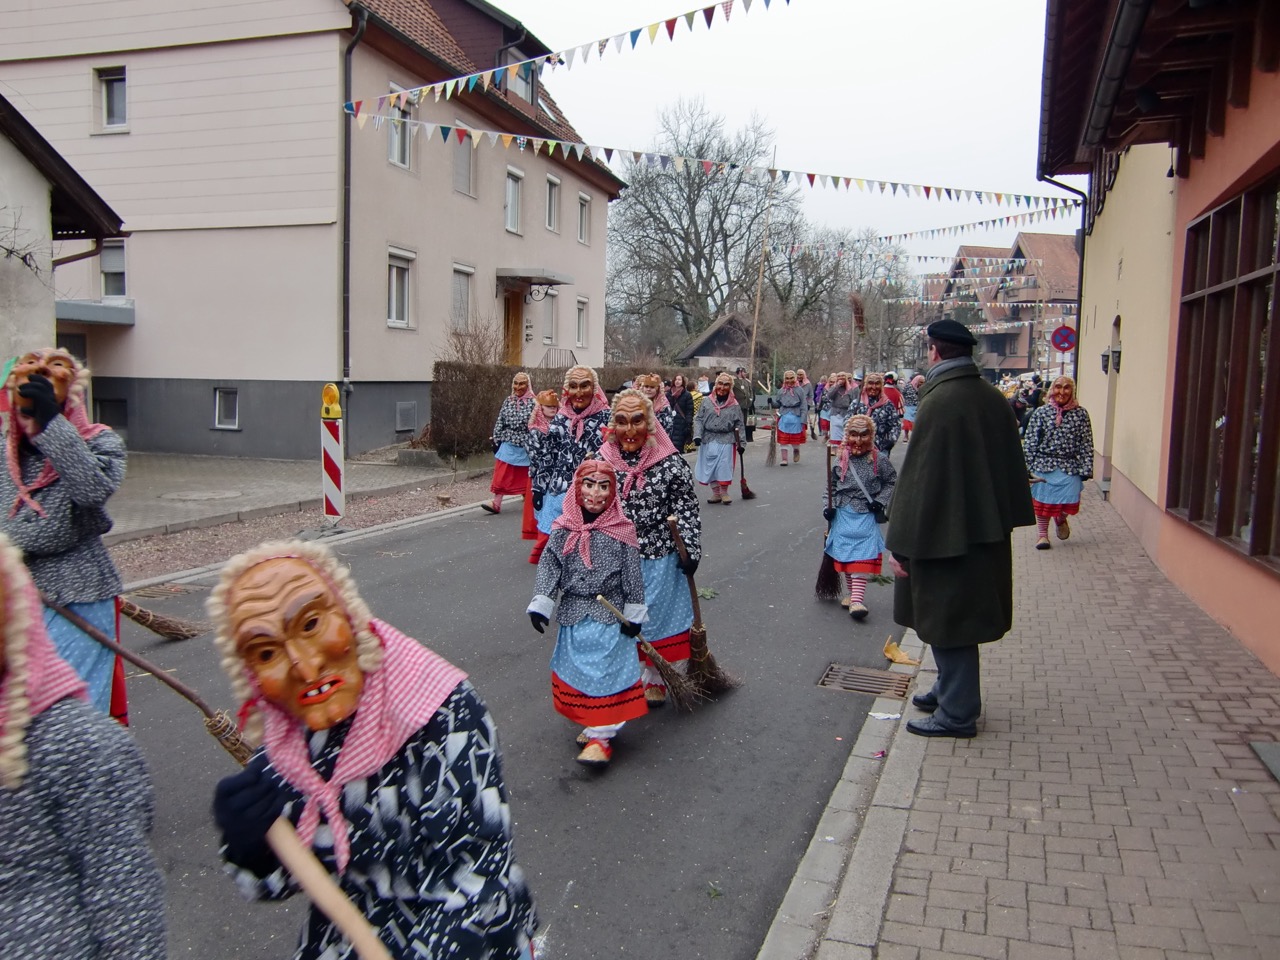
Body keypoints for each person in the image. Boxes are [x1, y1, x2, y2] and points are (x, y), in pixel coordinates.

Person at [208, 539, 538, 959]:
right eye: (267, 652)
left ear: (349, 613)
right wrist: (253, 850)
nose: (305, 667)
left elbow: (479, 882)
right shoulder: (289, 743)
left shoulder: (441, 713)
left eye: (311, 625)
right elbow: (291, 875)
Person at [0, 532, 166, 960]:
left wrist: (18, 540)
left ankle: (108, 812)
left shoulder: (74, 744)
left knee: (80, 744)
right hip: (35, 591)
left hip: (75, 591)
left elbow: (84, 506)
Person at [885, 319, 1034, 739]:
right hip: (982, 530)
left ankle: (957, 712)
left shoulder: (941, 401)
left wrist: (901, 544)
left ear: (934, 351)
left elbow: (920, 481)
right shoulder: (990, 397)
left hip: (943, 535)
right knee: (952, 616)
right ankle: (948, 689)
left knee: (950, 620)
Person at [0, 348, 129, 723]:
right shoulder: (4, 452)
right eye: (28, 370)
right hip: (13, 599)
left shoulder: (99, 443)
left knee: (63, 717)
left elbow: (91, 490)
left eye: (54, 370)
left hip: (78, 596)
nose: (39, 373)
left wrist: (51, 424)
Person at [527, 461, 648, 767]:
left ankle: (601, 737)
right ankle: (594, 722)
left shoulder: (622, 530)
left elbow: (632, 575)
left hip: (609, 614)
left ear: (613, 491)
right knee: (579, 672)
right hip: (573, 615)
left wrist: (634, 613)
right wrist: (542, 603)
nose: (596, 493)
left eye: (604, 486)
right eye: (589, 484)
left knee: (603, 673)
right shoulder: (563, 527)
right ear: (577, 489)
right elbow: (550, 565)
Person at [597, 390, 700, 707]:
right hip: (615, 555)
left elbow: (686, 509)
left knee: (654, 618)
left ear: (650, 424)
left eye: (637, 421)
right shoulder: (601, 462)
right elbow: (586, 507)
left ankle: (655, 676)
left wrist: (691, 549)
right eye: (622, 421)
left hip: (658, 556)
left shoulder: (670, 464)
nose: (629, 430)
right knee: (617, 619)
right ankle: (625, 677)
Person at [527, 365, 610, 565]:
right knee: (555, 547)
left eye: (584, 386)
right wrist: (539, 488)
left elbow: (614, 457)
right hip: (559, 490)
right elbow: (548, 455)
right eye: (573, 386)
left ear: (594, 388)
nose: (579, 392)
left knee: (587, 550)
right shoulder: (561, 417)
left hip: (592, 493)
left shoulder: (606, 417)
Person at [822, 415, 896, 621]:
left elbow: (892, 481)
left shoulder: (879, 459)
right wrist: (827, 507)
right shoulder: (840, 458)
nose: (858, 440)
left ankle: (856, 600)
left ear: (871, 436)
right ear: (847, 435)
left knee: (862, 556)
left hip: (865, 513)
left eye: (864, 435)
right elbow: (831, 486)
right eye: (854, 435)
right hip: (843, 513)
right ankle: (851, 594)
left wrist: (880, 501)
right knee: (846, 555)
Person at [1023, 375, 1094, 549]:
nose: (1062, 391)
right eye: (1058, 387)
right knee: (1043, 502)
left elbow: (1086, 442)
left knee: (1070, 499)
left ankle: (1060, 519)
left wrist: (1086, 468)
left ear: (1072, 391)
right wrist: (1026, 468)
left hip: (1069, 465)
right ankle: (1042, 536)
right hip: (1043, 464)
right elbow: (1031, 441)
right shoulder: (1041, 413)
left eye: (1067, 387)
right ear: (1052, 390)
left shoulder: (1081, 414)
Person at [483, 371, 536, 517]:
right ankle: (496, 503)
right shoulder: (508, 401)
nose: (518, 387)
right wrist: (496, 438)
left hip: (526, 444)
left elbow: (538, 424)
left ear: (528, 385)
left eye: (522, 384)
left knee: (527, 475)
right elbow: (500, 420)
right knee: (501, 473)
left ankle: (529, 501)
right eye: (516, 383)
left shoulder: (534, 403)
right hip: (508, 441)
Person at [694, 373, 746, 505]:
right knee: (710, 467)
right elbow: (699, 419)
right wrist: (697, 435)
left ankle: (724, 492)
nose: (722, 387)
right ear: (716, 384)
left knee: (723, 466)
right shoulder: (706, 401)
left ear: (730, 387)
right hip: (708, 438)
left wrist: (742, 444)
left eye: (726, 385)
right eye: (720, 384)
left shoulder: (734, 405)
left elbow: (740, 424)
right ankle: (716, 493)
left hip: (726, 439)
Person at [522, 389, 559, 546]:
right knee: (543, 512)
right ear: (540, 407)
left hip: (558, 477)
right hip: (540, 478)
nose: (552, 409)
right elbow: (535, 458)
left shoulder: (561, 426)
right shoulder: (535, 431)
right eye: (549, 406)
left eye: (554, 406)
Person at [767, 369, 812, 466]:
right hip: (784, 417)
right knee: (783, 440)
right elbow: (778, 404)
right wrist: (771, 402)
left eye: (791, 378)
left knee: (795, 438)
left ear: (795, 378)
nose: (789, 380)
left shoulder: (799, 390)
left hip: (796, 416)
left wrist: (803, 419)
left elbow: (803, 405)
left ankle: (796, 450)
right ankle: (784, 459)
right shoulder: (781, 391)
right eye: (787, 378)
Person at [852, 372, 902, 455]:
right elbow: (847, 422)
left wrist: (890, 441)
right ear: (866, 385)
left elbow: (895, 425)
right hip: (858, 447)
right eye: (871, 383)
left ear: (881, 386)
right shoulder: (857, 403)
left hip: (880, 448)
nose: (874, 387)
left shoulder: (887, 405)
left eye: (877, 384)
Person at [821, 372, 855, 442]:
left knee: (845, 436)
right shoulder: (834, 387)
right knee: (835, 436)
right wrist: (837, 385)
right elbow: (829, 396)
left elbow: (852, 401)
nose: (841, 378)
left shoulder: (850, 389)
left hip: (846, 414)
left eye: (843, 376)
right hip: (835, 413)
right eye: (839, 376)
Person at [666, 374, 695, 452]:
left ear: (682, 382)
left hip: (681, 424)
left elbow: (689, 411)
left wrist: (688, 424)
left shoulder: (687, 395)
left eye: (679, 380)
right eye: (676, 379)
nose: (677, 381)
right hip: (670, 423)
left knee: (678, 448)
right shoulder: (668, 394)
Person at [732, 367, 755, 442]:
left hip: (746, 405)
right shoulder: (734, 382)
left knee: (744, 422)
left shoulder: (747, 382)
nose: (745, 374)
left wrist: (750, 400)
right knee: (738, 422)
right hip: (738, 405)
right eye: (744, 372)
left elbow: (750, 392)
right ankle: (736, 438)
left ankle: (742, 438)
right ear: (740, 372)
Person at [901, 374, 923, 442]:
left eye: (923, 382)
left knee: (916, 422)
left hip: (918, 406)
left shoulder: (922, 388)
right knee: (907, 422)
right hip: (908, 406)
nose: (921, 384)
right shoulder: (908, 386)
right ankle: (906, 436)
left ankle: (915, 437)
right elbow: (902, 394)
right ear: (916, 381)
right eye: (920, 382)